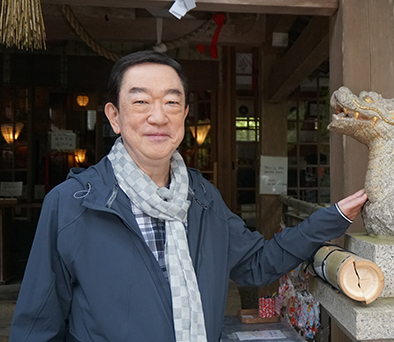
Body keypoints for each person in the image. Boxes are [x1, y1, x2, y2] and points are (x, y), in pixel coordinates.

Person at [9, 51, 367, 342]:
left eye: (171, 102)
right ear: (114, 117)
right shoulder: (73, 202)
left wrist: (331, 218)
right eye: (140, 102)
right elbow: (38, 324)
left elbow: (256, 263)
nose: (158, 116)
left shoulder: (201, 197)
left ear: (184, 115)